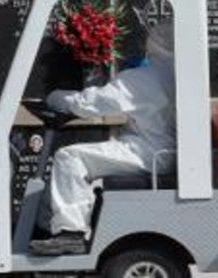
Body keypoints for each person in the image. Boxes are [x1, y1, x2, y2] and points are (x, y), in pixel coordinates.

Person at [29, 19, 177, 256]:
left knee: (69, 157)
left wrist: (55, 97)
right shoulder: (178, 75)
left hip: (147, 153)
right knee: (77, 161)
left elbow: (91, 104)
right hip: (165, 152)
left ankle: (70, 232)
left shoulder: (144, 78)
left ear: (153, 44)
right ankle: (47, 226)